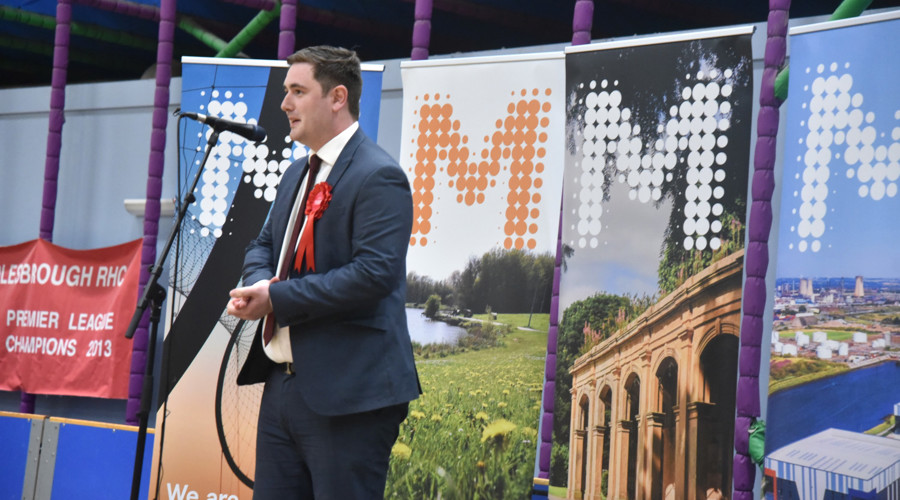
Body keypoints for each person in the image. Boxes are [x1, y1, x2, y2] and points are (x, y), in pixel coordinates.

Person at [226, 45, 420, 499]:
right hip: (283, 388)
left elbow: (374, 275)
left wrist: (278, 299)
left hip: (351, 396)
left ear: (337, 97)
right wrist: (261, 282)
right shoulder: (297, 174)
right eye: (284, 91)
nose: (284, 104)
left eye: (297, 91)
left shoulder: (379, 176)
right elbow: (264, 246)